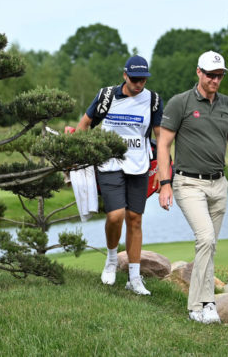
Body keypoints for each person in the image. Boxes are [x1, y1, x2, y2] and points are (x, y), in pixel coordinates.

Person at [156, 50, 228, 323]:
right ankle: (197, 306)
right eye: (211, 75)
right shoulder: (181, 103)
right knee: (205, 238)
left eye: (220, 75)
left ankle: (208, 304)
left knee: (210, 245)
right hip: (188, 182)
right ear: (199, 72)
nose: (215, 80)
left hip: (219, 184)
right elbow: (164, 145)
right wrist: (164, 184)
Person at [76, 55, 162, 295]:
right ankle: (112, 259)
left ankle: (134, 278)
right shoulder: (106, 96)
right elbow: (84, 125)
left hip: (139, 166)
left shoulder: (153, 100)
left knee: (135, 218)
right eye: (134, 79)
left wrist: (164, 175)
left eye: (143, 79)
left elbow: (161, 138)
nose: (138, 84)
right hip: (109, 164)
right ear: (124, 75)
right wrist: (76, 156)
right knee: (115, 216)